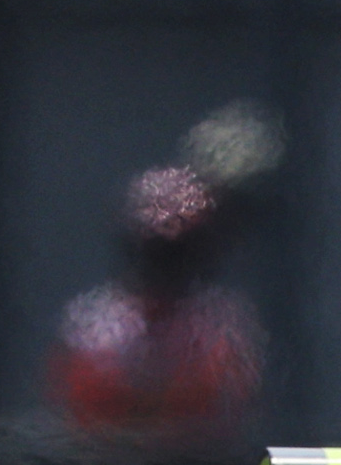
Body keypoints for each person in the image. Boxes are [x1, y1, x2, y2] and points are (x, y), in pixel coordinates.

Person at [51, 164, 264, 440]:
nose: (167, 262)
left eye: (180, 249)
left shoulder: (224, 332)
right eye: (158, 249)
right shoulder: (93, 334)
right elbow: (80, 423)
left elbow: (231, 422)